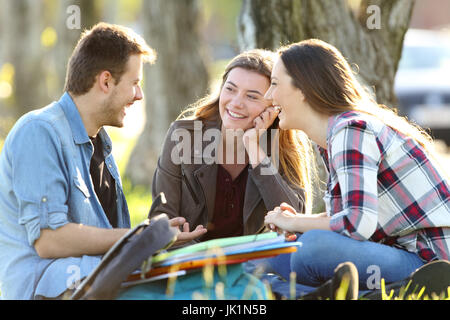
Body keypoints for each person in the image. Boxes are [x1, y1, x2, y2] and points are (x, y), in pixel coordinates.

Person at [0, 22, 203, 300]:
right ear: (106, 81)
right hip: (50, 289)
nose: (139, 95)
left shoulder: (101, 145)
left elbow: (110, 242)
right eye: (135, 84)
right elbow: (49, 239)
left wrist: (157, 239)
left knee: (204, 284)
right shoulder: (39, 131)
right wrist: (140, 238)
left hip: (99, 280)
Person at [257, 38, 450, 299]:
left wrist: (294, 221)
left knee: (311, 248)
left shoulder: (351, 130)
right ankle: (325, 294)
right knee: (263, 255)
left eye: (275, 84)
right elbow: (348, 219)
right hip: (396, 254)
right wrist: (300, 223)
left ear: (302, 88)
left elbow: (357, 224)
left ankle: (395, 290)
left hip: (430, 263)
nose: (269, 96)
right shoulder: (334, 136)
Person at [149, 49, 317, 243]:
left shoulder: (283, 147)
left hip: (255, 263)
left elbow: (295, 221)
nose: (236, 103)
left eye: (252, 96)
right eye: (230, 89)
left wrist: (254, 148)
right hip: (190, 260)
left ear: (273, 106)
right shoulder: (184, 135)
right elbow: (161, 218)